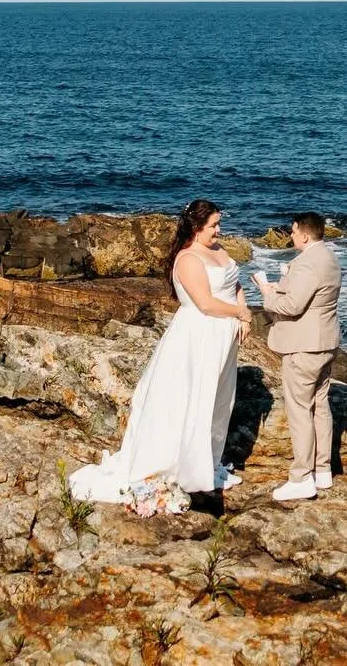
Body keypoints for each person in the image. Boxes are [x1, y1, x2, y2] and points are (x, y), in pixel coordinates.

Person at [69, 198, 251, 508]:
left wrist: (241, 312)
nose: (219, 230)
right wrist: (242, 314)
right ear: (196, 227)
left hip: (223, 335)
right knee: (195, 398)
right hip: (199, 335)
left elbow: (234, 283)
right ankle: (187, 469)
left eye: (219, 223)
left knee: (219, 399)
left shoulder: (219, 251)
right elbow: (205, 304)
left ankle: (206, 460)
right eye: (213, 226)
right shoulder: (188, 259)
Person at [252, 212, 342, 501]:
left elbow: (292, 306)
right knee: (320, 404)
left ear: (304, 234)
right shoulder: (328, 258)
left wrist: (267, 293)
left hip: (303, 346)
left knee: (300, 410)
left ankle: (302, 477)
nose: (290, 236)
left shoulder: (306, 263)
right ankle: (323, 470)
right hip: (325, 341)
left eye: (292, 232)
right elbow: (312, 297)